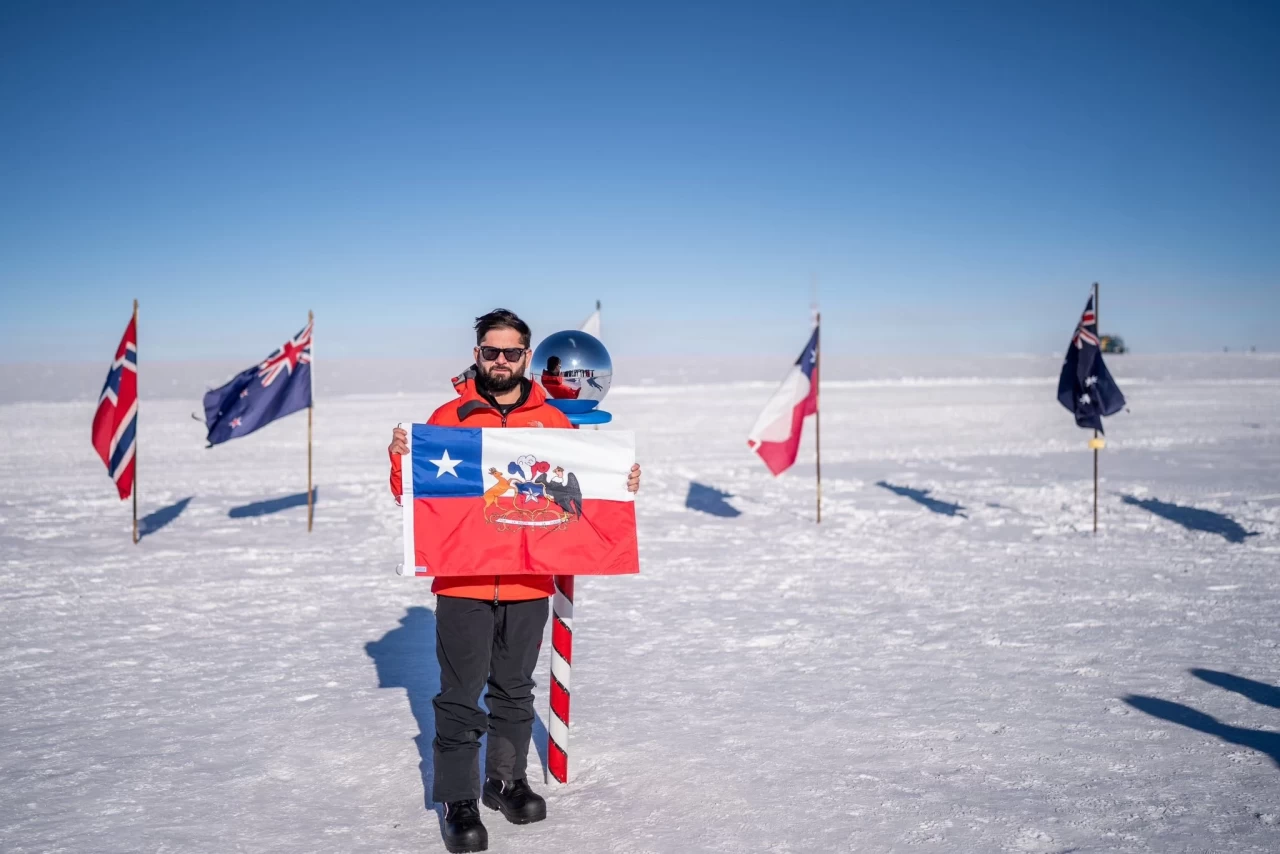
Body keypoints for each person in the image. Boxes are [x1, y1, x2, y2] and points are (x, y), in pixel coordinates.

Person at [388, 308, 641, 854]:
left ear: (527, 357)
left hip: (529, 583)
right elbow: (412, 496)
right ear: (476, 354)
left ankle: (506, 780)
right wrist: (400, 460)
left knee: (514, 687)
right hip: (462, 582)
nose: (500, 361)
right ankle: (458, 799)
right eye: (490, 351)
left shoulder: (552, 422)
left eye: (511, 352)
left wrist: (620, 480)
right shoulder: (449, 417)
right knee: (459, 694)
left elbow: (579, 486)